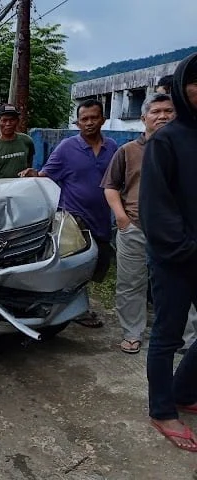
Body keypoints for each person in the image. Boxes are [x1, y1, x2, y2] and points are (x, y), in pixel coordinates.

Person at [139, 53, 197, 452]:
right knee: (166, 336)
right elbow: (156, 208)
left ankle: (182, 389)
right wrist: (185, 249)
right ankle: (162, 410)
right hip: (176, 259)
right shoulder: (167, 139)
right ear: (182, 88)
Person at [19, 99, 118, 328]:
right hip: (74, 218)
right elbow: (47, 174)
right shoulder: (66, 147)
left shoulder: (112, 147)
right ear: (77, 123)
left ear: (102, 119)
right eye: (84, 119)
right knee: (76, 265)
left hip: (102, 218)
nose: (90, 123)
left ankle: (75, 304)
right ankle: (75, 309)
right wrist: (33, 173)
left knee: (99, 264)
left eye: (94, 118)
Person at [101, 93, 175, 354]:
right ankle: (132, 333)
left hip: (176, 233)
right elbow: (111, 187)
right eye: (156, 112)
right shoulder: (128, 151)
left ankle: (186, 337)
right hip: (135, 228)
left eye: (169, 111)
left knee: (178, 283)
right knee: (131, 283)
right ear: (144, 118)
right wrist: (122, 219)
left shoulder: (185, 148)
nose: (163, 116)